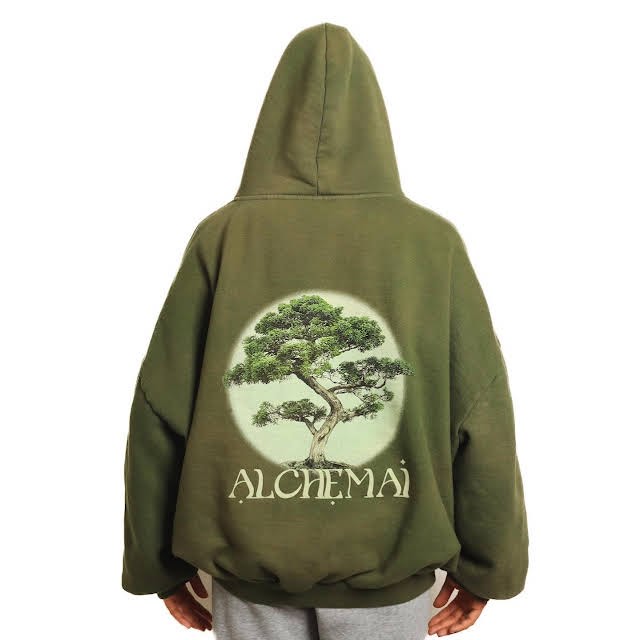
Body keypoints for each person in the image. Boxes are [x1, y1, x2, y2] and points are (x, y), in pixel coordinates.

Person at [121, 22, 529, 639]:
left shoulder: (222, 238)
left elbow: (158, 410)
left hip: (247, 578)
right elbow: (484, 412)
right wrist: (489, 568)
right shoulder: (431, 244)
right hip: (392, 576)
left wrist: (157, 565)